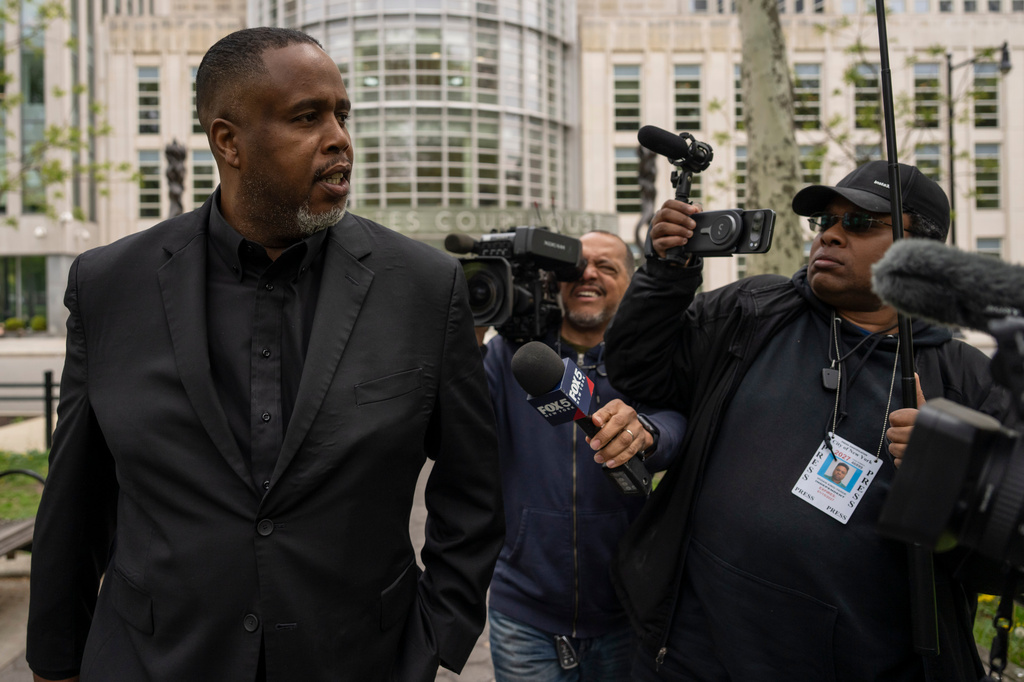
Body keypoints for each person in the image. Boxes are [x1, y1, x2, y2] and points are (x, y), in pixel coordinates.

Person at [26, 27, 504, 682]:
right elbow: (75, 498)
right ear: (229, 141)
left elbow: (475, 485)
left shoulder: (423, 286)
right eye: (307, 117)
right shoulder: (111, 286)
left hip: (362, 660)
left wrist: (438, 634)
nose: (339, 139)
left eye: (341, 114)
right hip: (151, 660)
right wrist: (55, 661)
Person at [603, 160, 1011, 681]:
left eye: (860, 223)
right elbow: (639, 372)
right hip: (686, 659)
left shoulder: (967, 381)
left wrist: (952, 481)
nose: (832, 236)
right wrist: (666, 273)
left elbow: (1000, 567)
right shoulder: (753, 312)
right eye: (826, 222)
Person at [480, 230, 686, 681]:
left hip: (624, 611)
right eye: (574, 268)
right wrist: (469, 331)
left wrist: (647, 434)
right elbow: (456, 425)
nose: (587, 274)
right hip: (523, 611)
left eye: (606, 267)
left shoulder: (646, 358)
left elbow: (678, 420)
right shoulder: (509, 355)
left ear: (632, 284)